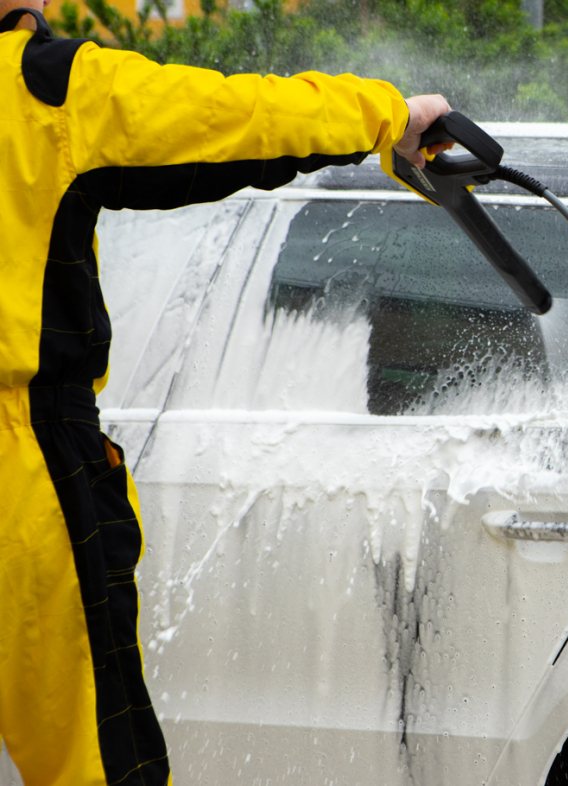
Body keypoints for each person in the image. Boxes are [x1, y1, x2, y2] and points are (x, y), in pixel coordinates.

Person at [0, 1, 451, 782]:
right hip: (24, 476)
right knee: (95, 766)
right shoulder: (42, 90)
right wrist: (387, 115)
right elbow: (233, 117)